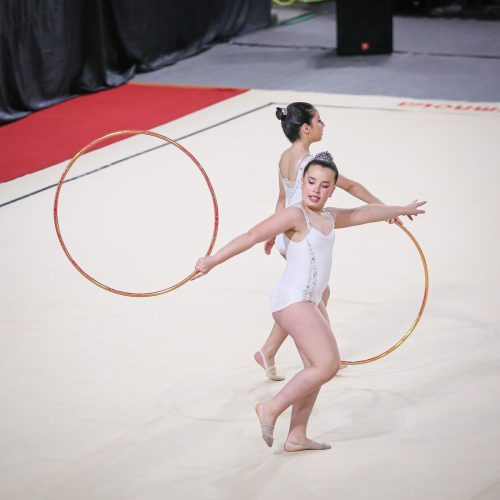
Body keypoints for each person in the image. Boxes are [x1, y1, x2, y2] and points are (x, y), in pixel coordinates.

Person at [193, 152, 426, 451]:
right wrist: (213, 260)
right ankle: (271, 408)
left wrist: (400, 208)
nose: (316, 189)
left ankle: (297, 436)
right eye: (311, 182)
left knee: (313, 369)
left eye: (324, 185)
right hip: (292, 300)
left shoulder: (330, 217)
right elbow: (252, 235)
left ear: (332, 190)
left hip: (308, 302)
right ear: (302, 182)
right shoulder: (295, 215)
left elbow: (364, 213)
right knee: (328, 364)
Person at [256, 102, 409, 381]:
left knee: (314, 292)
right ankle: (318, 356)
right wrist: (382, 207)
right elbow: (350, 185)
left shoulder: (284, 157)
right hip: (303, 231)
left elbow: (282, 197)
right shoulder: (310, 165)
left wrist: (273, 232)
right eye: (319, 121)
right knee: (310, 294)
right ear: (306, 128)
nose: (323, 125)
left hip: (288, 230)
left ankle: (273, 350)